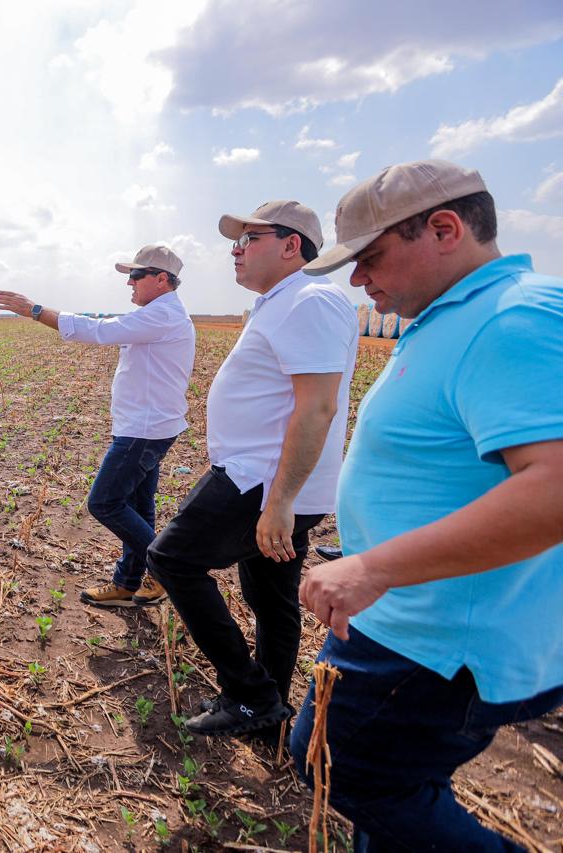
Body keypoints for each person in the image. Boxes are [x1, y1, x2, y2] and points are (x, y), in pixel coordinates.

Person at [293, 159, 563, 850]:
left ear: (444, 228)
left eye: (370, 258)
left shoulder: (511, 320)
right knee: (391, 791)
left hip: (434, 635)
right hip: (412, 615)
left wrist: (374, 566)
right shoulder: (461, 314)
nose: (358, 280)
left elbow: (555, 485)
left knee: (341, 763)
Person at [145, 201, 358, 737]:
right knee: (270, 596)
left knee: (171, 559)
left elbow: (317, 408)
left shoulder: (309, 300)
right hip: (266, 480)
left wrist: (280, 502)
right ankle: (269, 709)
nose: (235, 250)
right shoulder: (281, 302)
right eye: (234, 241)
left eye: (249, 239)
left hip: (261, 482)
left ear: (292, 246)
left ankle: (250, 691)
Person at [0, 245, 195, 607]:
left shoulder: (161, 316)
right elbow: (103, 321)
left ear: (162, 280)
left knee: (104, 503)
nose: (129, 283)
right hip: (145, 425)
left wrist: (35, 311)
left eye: (135, 276)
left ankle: (168, 567)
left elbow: (98, 330)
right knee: (138, 504)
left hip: (143, 431)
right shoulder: (158, 313)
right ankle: (128, 582)